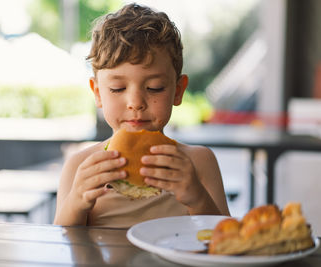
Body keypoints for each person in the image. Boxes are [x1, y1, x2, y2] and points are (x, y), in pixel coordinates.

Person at [54, 3, 230, 228]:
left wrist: (197, 197)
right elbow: (61, 242)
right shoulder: (81, 166)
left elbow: (225, 240)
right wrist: (77, 202)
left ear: (178, 91)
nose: (136, 103)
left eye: (155, 87)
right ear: (98, 93)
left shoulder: (198, 162)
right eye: (117, 88)